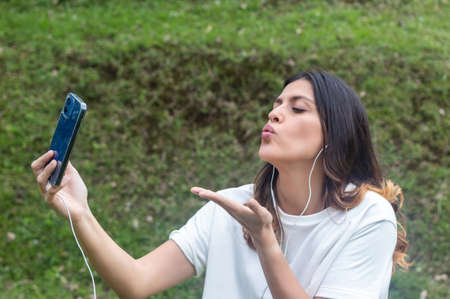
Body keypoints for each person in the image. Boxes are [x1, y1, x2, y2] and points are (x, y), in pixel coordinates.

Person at [31, 71, 411, 299]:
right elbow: (136, 282)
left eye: (297, 108)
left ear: (337, 133)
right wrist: (81, 212)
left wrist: (266, 242)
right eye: (276, 104)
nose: (274, 113)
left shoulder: (368, 217)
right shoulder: (231, 206)